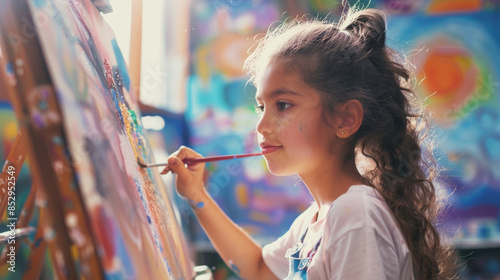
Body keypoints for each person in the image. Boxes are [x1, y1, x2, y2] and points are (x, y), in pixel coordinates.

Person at [161, 7, 457, 280]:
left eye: (284, 105)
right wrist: (196, 194)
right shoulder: (318, 218)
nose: (262, 126)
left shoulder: (355, 216)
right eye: (261, 106)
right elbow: (259, 269)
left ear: (345, 119)